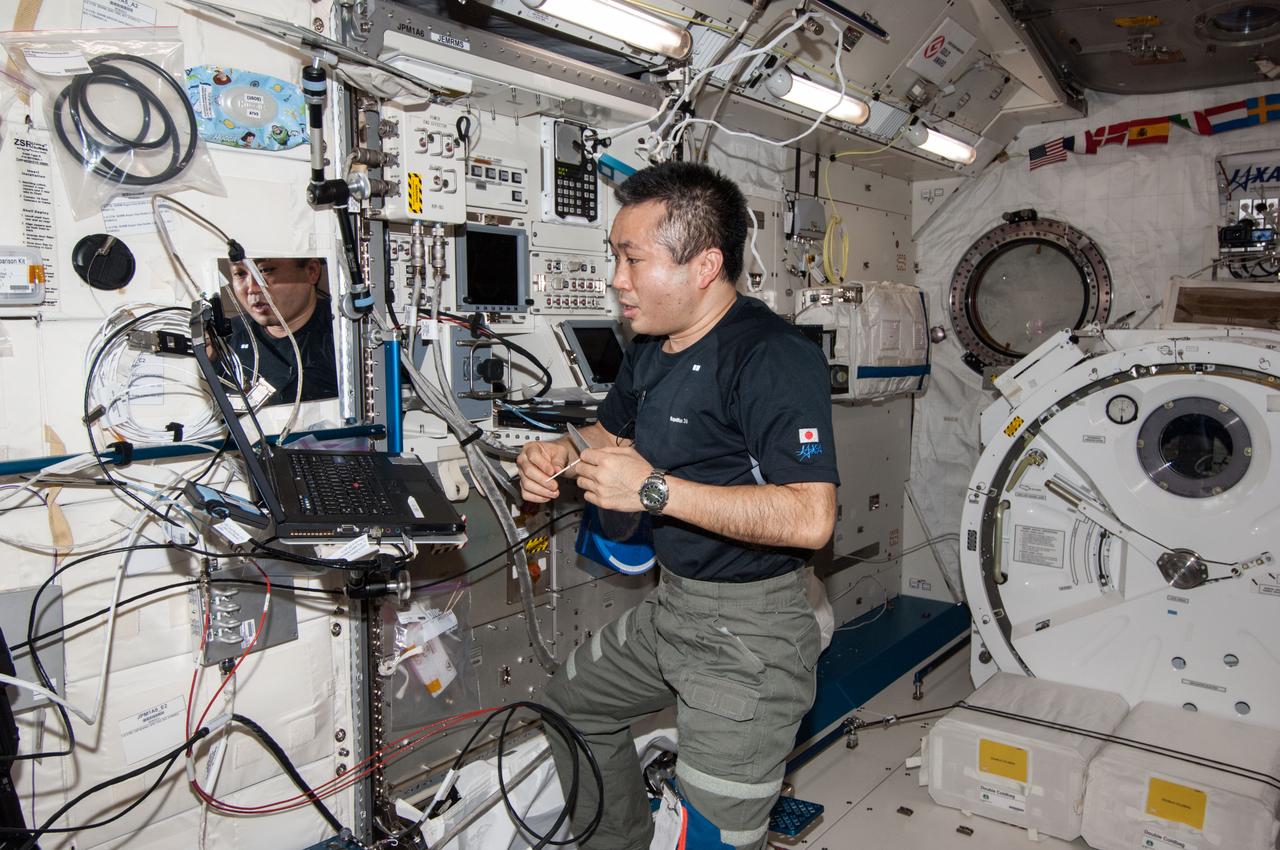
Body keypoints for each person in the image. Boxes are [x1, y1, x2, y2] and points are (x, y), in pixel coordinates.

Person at [516, 162, 838, 850]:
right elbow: (609, 434)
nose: (617, 279)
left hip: (751, 630)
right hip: (675, 608)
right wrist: (555, 454)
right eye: (615, 257)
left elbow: (811, 517)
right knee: (571, 707)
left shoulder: (772, 356)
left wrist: (654, 490)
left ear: (705, 265)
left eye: (632, 259)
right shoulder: (651, 348)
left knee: (712, 836)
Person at [225, 257, 338, 404]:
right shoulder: (225, 341)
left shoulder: (345, 334)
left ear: (312, 271)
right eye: (240, 274)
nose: (252, 288)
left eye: (265, 270)